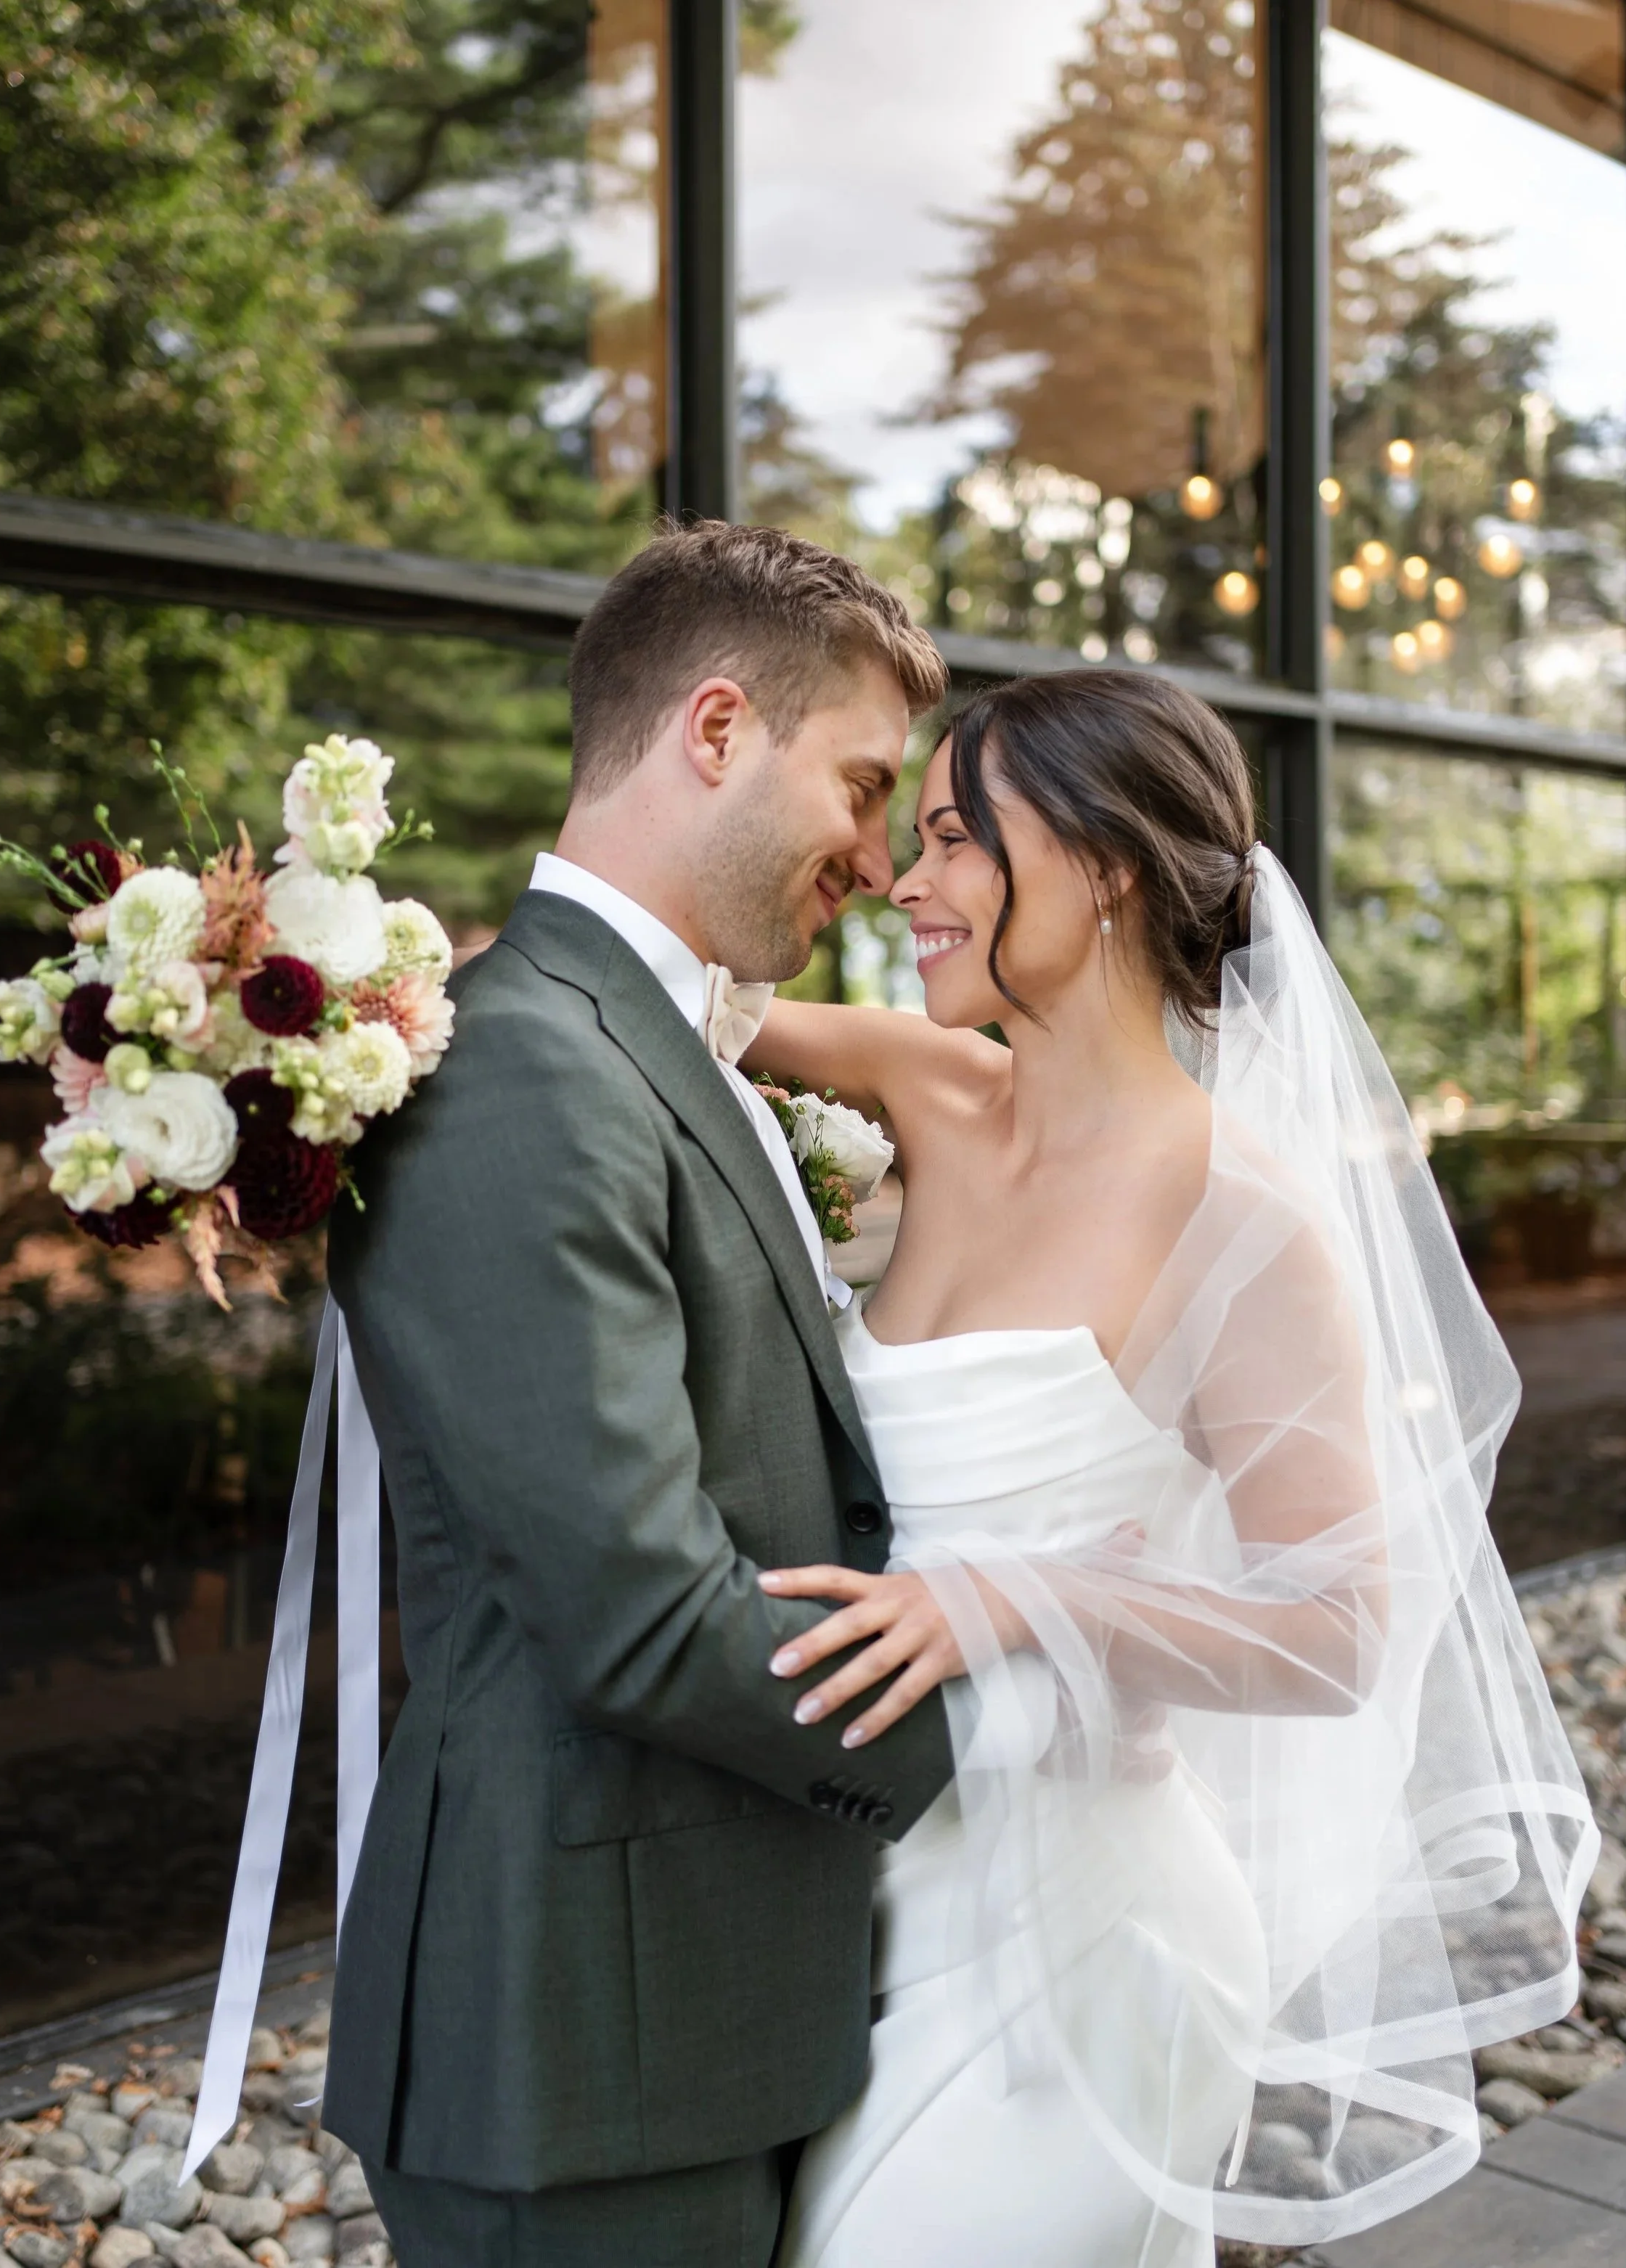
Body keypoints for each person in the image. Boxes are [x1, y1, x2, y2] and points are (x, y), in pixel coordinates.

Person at [737, 671, 1598, 2267]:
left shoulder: (1242, 1217)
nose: (901, 883)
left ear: (1106, 867)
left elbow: (1341, 1627)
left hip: (1080, 1946)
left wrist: (1014, 1595)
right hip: (853, 1907)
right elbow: (611, 994)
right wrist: (304, 1010)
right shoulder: (919, 1092)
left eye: (950, 839)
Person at [321, 520, 959, 2268]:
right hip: (579, 2049)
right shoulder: (522, 1072)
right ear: (714, 728)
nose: (876, 852)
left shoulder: (661, 1044)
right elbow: (637, 1609)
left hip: (691, 2000)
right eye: (859, 782)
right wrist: (1003, 1735)